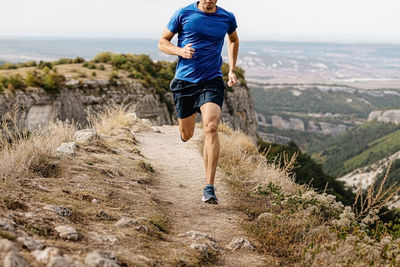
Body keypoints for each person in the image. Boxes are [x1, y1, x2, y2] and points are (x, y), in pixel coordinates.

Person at [158, 0, 239, 204]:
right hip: (185, 82)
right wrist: (180, 51)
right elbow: (163, 42)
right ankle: (187, 125)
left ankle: (209, 187)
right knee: (187, 134)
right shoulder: (183, 13)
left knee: (211, 128)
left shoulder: (227, 17)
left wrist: (231, 69)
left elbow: (233, 40)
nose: (210, 0)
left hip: (211, 80)